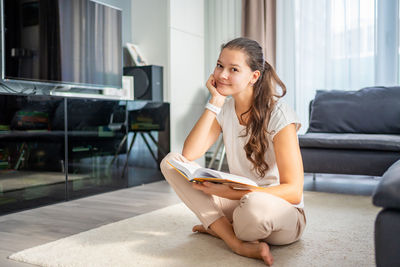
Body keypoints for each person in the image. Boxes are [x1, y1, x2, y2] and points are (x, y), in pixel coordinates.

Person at [160, 37, 306, 266]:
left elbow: (294, 191)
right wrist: (215, 101)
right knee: (170, 161)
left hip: (279, 211)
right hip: (239, 203)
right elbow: (189, 154)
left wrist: (231, 194)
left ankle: (218, 227)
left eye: (233, 69)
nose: (222, 75)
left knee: (254, 211)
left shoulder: (280, 115)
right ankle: (234, 241)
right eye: (220, 65)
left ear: (254, 76)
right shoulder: (225, 109)